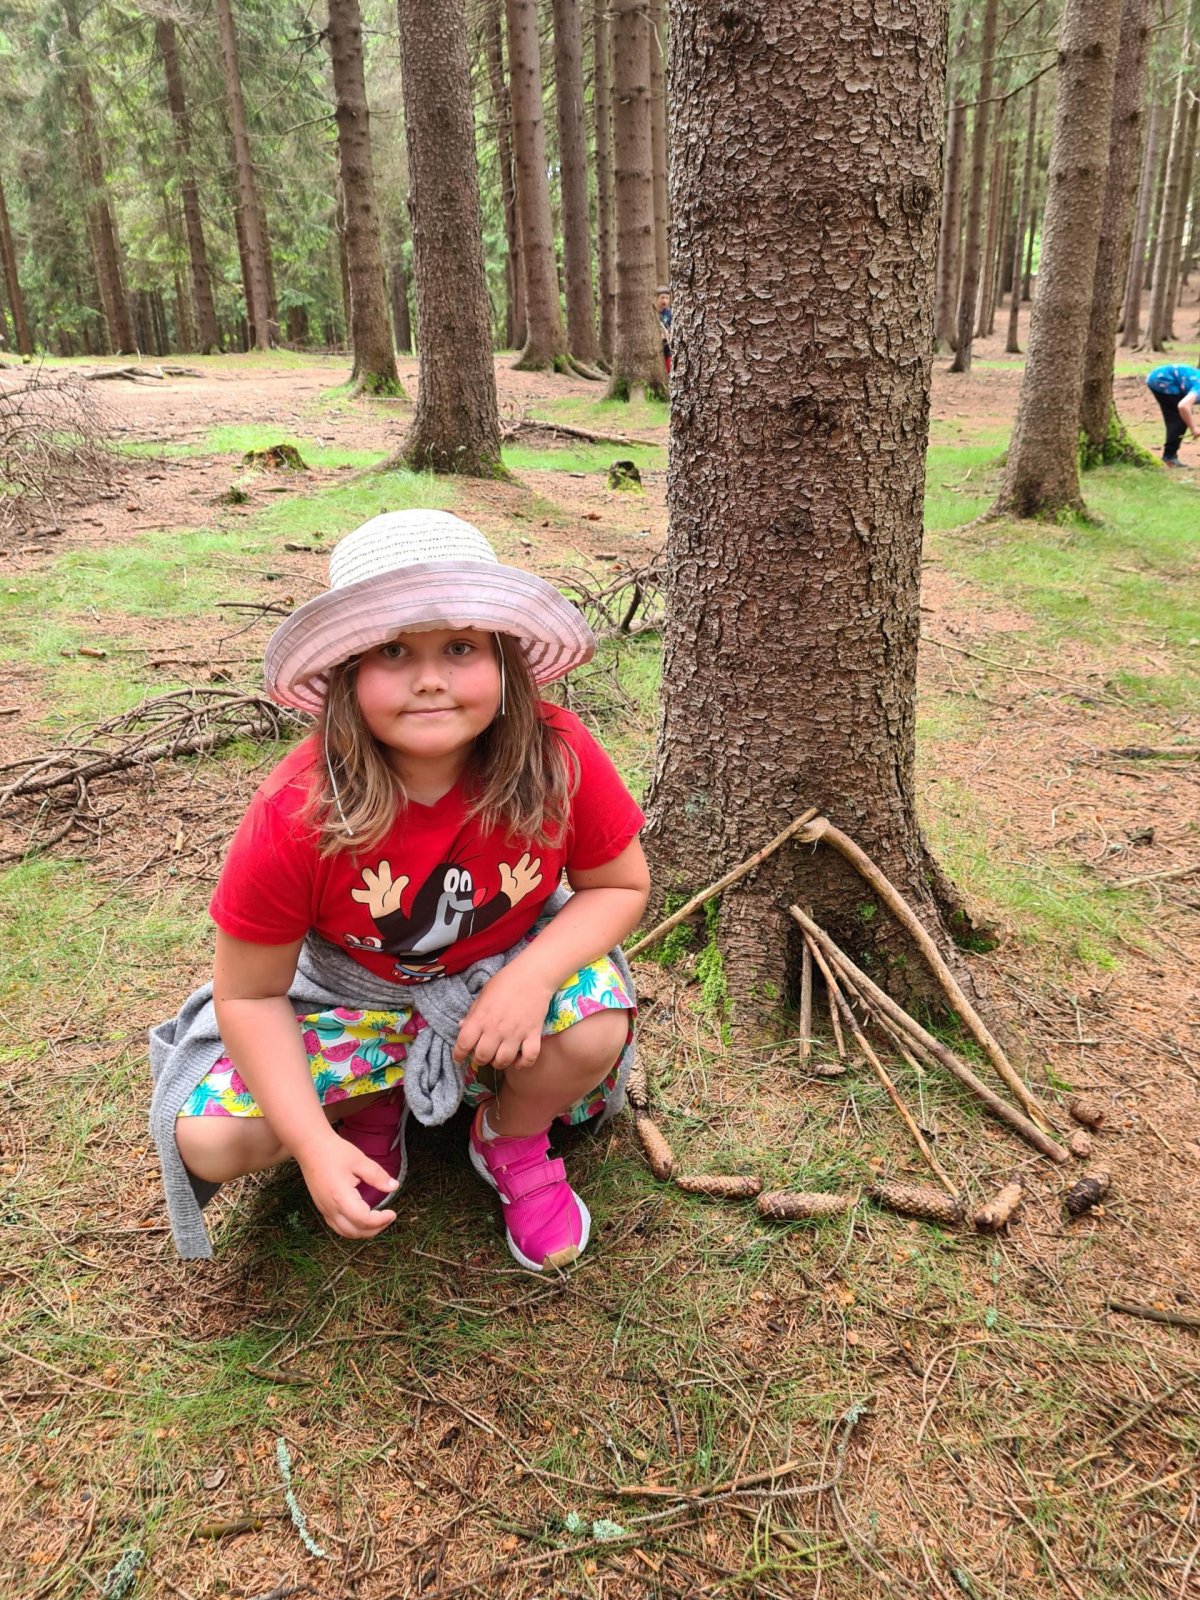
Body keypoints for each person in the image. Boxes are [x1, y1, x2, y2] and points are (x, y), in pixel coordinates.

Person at [150, 510, 649, 1270]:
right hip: (350, 1001)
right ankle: (369, 1102)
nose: (430, 678)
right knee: (213, 1139)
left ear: (505, 659)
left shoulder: (558, 754)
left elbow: (618, 885)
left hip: (499, 984)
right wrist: (310, 1144)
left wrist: (531, 976)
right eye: (392, 650)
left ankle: (509, 1136)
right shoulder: (297, 809)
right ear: (346, 673)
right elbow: (248, 995)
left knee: (592, 1027)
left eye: (460, 647)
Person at [1145, 363, 1200, 467]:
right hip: (1163, 380)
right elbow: (1183, 406)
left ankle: (1169, 456)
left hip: (1167, 377)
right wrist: (1194, 428)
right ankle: (1169, 457)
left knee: (1183, 416)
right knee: (1180, 418)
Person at [656, 285, 672, 375]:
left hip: (666, 347)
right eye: (662, 298)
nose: (664, 301)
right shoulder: (653, 313)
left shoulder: (669, 314)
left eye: (667, 298)